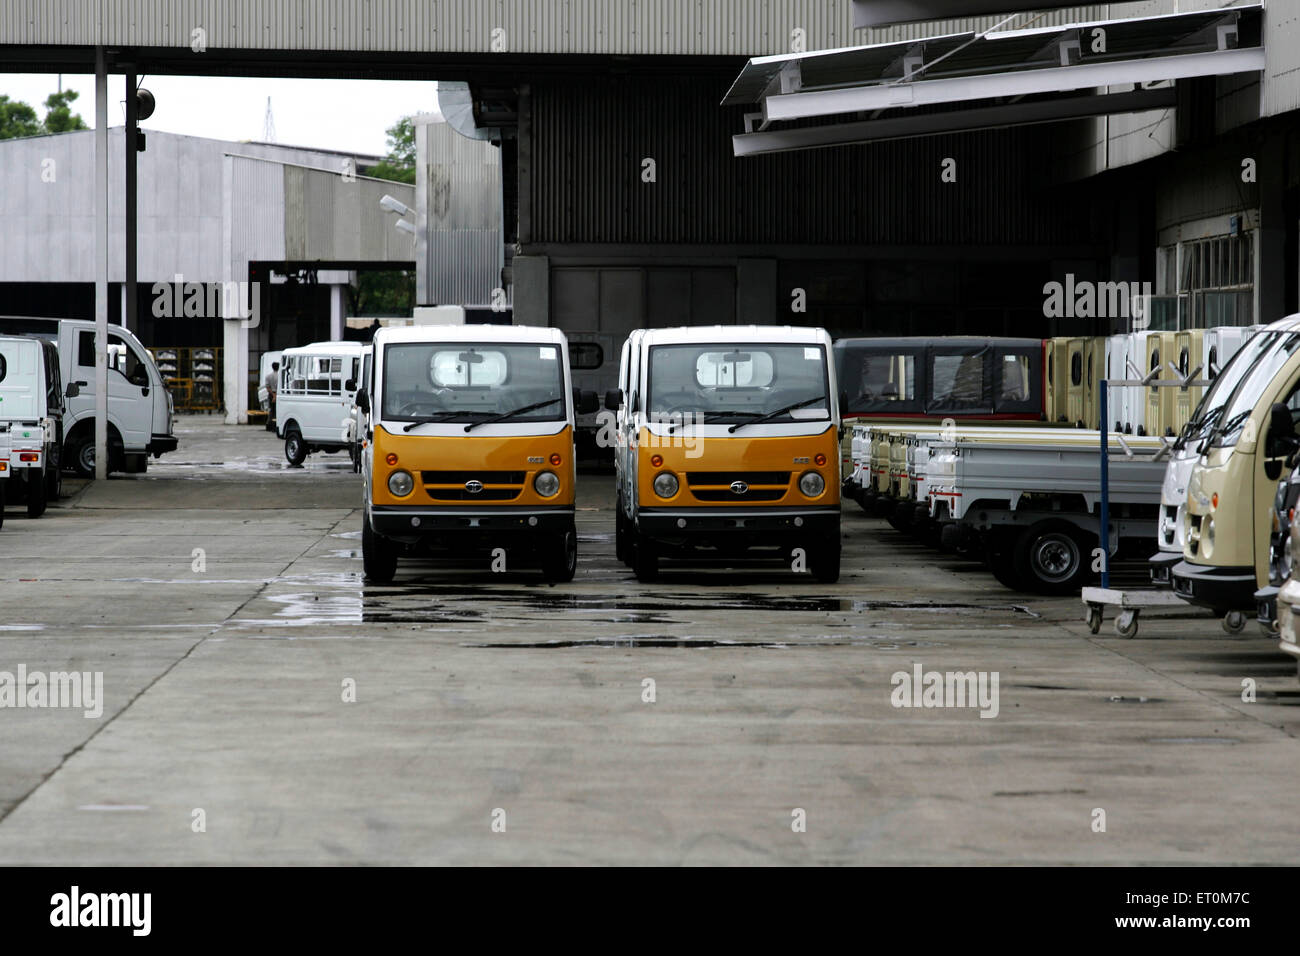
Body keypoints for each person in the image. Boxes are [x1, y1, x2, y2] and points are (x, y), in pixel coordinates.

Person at [265, 361, 279, 431]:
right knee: (277, 411)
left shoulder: (268, 376)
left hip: (270, 394)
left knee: (271, 410)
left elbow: (267, 387)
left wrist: (273, 395)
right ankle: (275, 426)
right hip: (278, 395)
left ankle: (269, 425)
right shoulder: (280, 376)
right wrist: (275, 396)